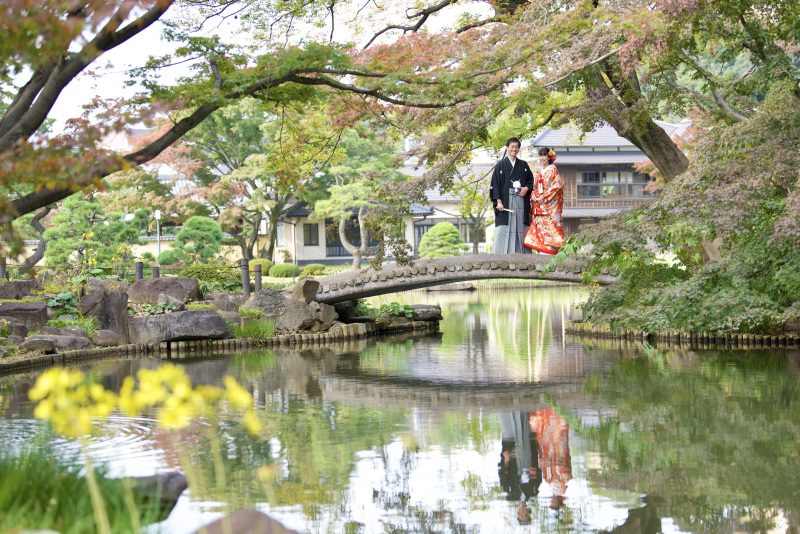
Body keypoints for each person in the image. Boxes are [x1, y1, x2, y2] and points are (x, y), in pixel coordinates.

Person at [490, 137, 533, 254]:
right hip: (506, 200)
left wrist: (526, 188)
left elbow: (530, 181)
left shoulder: (523, 165)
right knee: (504, 227)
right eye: (512, 147)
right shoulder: (500, 165)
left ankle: (523, 253)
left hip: (520, 201)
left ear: (519, 148)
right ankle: (500, 255)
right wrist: (498, 201)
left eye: (516, 147)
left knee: (520, 226)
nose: (514, 149)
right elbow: (495, 184)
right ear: (507, 148)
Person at [525, 147, 565, 255]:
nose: (542, 158)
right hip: (539, 205)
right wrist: (534, 196)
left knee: (550, 227)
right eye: (540, 155)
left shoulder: (553, 170)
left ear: (549, 157)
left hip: (548, 205)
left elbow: (557, 186)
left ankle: (550, 251)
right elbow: (535, 187)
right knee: (540, 228)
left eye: (544, 155)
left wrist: (544, 197)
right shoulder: (539, 172)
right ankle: (542, 250)